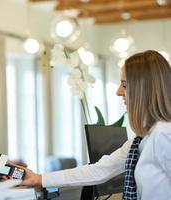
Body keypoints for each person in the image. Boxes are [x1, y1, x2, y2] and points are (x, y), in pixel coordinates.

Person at [21, 50, 171, 200]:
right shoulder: (142, 139)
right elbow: (100, 170)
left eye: (124, 85)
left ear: (144, 88)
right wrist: (39, 179)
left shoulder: (163, 134)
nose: (118, 92)